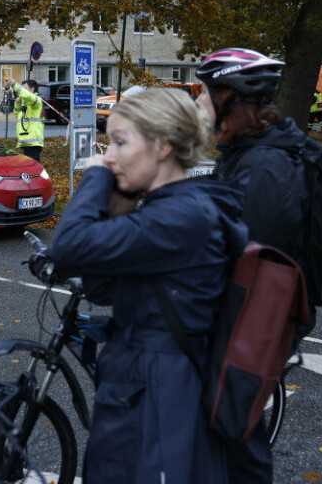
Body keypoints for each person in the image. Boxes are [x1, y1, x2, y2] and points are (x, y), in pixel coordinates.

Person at [47, 88, 247, 484]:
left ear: (162, 146)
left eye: (120, 142)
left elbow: (67, 249)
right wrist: (115, 209)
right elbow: (102, 289)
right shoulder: (164, 208)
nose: (110, 154)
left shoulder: (180, 217)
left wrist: (98, 177)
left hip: (160, 393)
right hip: (137, 384)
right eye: (109, 144)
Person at [195, 47, 310, 484]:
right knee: (226, 435)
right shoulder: (247, 152)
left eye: (203, 93)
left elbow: (238, 252)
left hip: (250, 318)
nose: (198, 103)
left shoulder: (264, 166)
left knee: (236, 439)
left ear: (230, 97)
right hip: (241, 311)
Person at [4, 76, 44, 162]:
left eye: (25, 89)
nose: (21, 92)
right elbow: (17, 115)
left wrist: (14, 85)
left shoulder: (36, 100)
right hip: (26, 143)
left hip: (33, 143)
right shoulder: (25, 103)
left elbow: (27, 96)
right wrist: (18, 103)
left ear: (32, 89)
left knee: (32, 169)